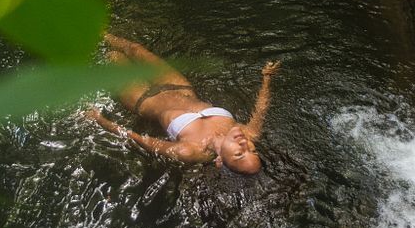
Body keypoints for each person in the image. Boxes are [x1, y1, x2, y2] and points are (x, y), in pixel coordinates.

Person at [86, 33, 280, 175]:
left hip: (143, 100)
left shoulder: (189, 151)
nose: (245, 144)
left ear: (220, 161)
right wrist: (266, 78)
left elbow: (140, 139)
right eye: (252, 150)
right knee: (135, 48)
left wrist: (100, 120)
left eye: (239, 153)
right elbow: (261, 107)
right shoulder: (247, 132)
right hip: (179, 87)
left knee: (113, 57)